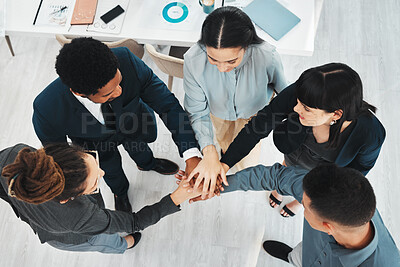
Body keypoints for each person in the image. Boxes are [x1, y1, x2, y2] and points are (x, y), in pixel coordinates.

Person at [32, 38, 203, 213]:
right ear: (79, 93)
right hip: (96, 145)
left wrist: (191, 154)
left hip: (133, 124)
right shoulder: (46, 108)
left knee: (140, 149)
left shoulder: (125, 59)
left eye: (119, 81)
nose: (119, 91)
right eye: (109, 93)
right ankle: (120, 193)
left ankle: (147, 163)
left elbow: (168, 106)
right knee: (111, 171)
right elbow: (60, 156)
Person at [217, 63, 385, 217]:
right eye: (298, 103)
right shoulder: (303, 94)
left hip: (325, 171)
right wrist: (224, 164)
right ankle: (279, 189)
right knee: (286, 169)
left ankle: (298, 202)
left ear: (336, 114)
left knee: (309, 188)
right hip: (295, 152)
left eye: (306, 108)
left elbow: (359, 171)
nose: (296, 108)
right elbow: (258, 127)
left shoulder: (370, 134)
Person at [178, 163, 400, 266]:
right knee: (299, 255)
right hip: (312, 252)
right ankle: (293, 258)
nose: (301, 203)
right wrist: (214, 187)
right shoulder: (335, 195)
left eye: (304, 206)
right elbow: (273, 176)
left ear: (327, 227)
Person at [0, 143, 200, 254]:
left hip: (43, 221)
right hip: (71, 238)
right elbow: (134, 221)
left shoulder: (15, 158)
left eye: (93, 161)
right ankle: (125, 245)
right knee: (106, 241)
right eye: (95, 182)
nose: (103, 173)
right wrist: (176, 197)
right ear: (68, 199)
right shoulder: (82, 216)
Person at [183, 6, 287, 198]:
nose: (222, 68)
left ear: (246, 45)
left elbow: (285, 93)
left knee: (247, 160)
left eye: (231, 61)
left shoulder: (267, 56)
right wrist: (209, 150)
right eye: (213, 59)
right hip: (218, 114)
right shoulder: (192, 60)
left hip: (255, 119)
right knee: (222, 141)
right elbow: (197, 112)